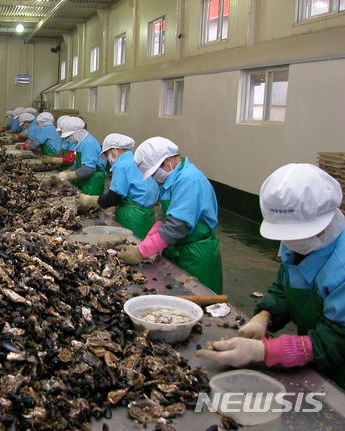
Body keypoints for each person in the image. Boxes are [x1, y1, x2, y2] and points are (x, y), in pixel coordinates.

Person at [197, 164, 345, 386]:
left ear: (325, 218)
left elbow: (336, 339)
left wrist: (264, 351)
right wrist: (265, 315)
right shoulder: (300, 244)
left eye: (299, 233)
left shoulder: (340, 263)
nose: (292, 243)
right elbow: (286, 286)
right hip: (315, 361)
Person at [117, 137, 223, 293]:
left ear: (166, 162)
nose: (154, 177)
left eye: (153, 172)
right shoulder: (174, 180)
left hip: (195, 255)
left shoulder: (189, 180)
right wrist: (144, 244)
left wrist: (140, 253)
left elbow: (176, 226)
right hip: (180, 248)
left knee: (199, 301)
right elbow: (164, 219)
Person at [76, 134, 159, 239]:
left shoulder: (122, 165)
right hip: (147, 214)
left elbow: (113, 199)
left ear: (114, 150)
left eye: (107, 154)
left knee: (128, 245)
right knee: (142, 247)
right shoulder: (136, 160)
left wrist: (88, 200)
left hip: (132, 217)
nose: (108, 159)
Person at [55, 116, 106, 196]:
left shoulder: (88, 143)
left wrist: (67, 176)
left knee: (91, 206)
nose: (68, 139)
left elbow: (88, 169)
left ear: (77, 132)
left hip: (93, 181)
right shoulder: (81, 143)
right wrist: (67, 171)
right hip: (86, 179)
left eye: (69, 136)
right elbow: (77, 164)